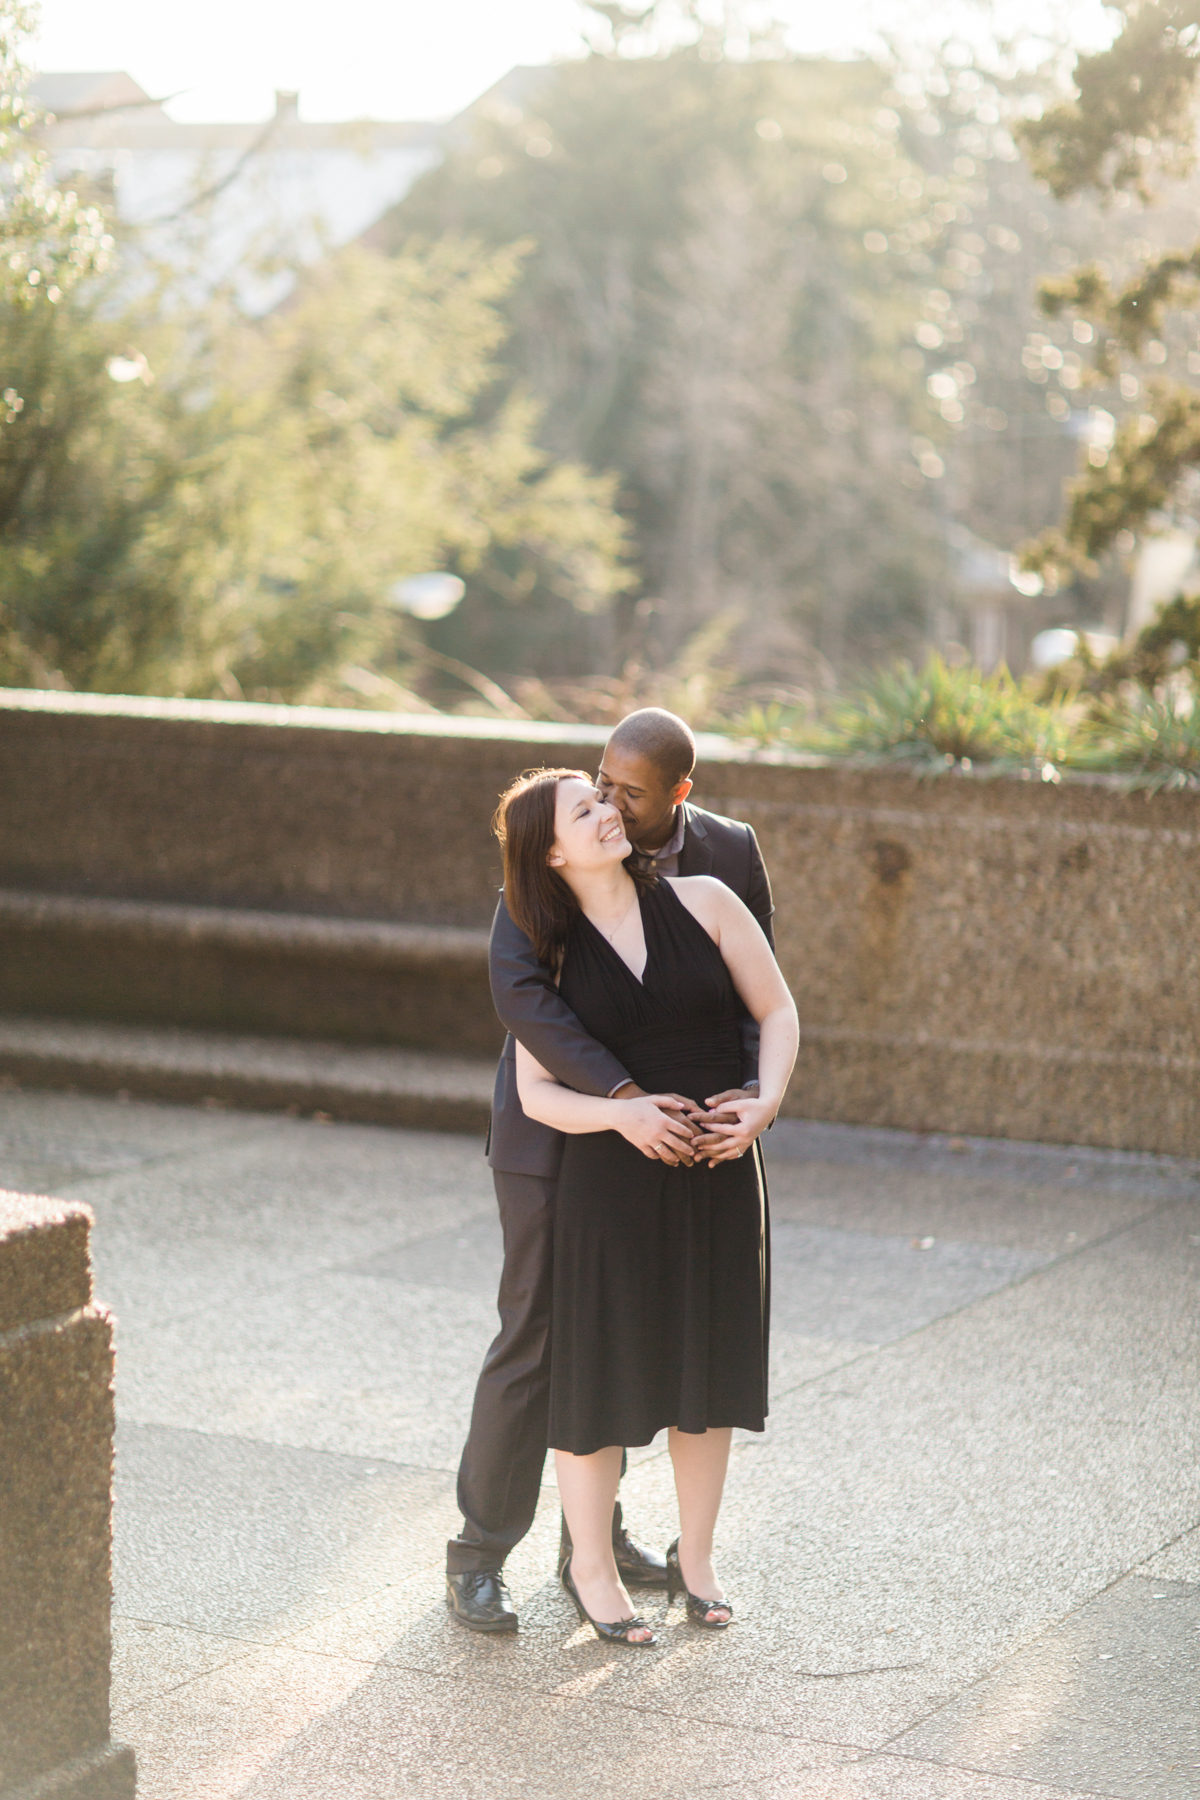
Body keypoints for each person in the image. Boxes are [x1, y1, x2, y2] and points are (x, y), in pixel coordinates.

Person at [445, 708, 778, 1633]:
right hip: (558, 1141)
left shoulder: (726, 858)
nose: (607, 802)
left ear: (677, 794)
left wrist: (748, 1100)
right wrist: (625, 1097)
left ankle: (589, 1546)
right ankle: (479, 1550)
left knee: (638, 1332)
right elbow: (527, 1008)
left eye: (624, 792)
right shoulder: (541, 876)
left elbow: (754, 995)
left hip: (686, 1134)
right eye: (598, 784)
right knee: (543, 1337)